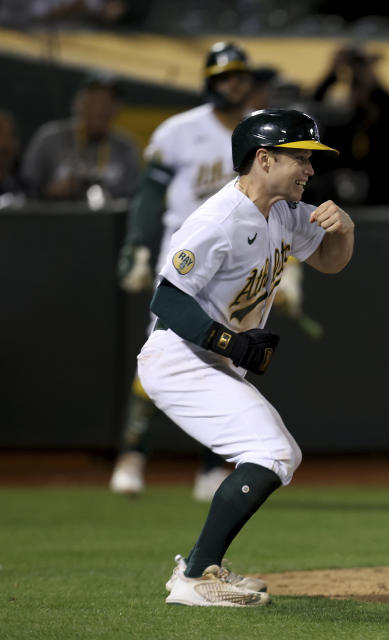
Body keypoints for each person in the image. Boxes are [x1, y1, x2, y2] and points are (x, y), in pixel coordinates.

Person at [144, 108, 353, 607]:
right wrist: (230, 342)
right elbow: (166, 301)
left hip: (208, 359)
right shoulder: (218, 218)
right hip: (178, 358)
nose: (309, 168)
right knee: (273, 452)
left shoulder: (281, 210)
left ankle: (199, 569)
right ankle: (196, 577)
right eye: (300, 157)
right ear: (263, 159)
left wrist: (344, 230)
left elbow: (328, 262)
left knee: (282, 454)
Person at [110, 42, 255, 500]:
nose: (230, 84)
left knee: (228, 360)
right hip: (186, 259)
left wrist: (285, 266)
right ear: (209, 81)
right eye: (222, 76)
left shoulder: (261, 132)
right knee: (162, 351)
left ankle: (212, 466)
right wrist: (136, 244)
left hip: (240, 264)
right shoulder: (179, 130)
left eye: (237, 75)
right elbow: (149, 196)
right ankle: (133, 454)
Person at [310, 44, 389, 205]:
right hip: (341, 204)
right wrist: (331, 74)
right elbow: (311, 110)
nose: (357, 94)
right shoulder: (340, 129)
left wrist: (370, 75)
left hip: (383, 200)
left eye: (361, 88)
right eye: (354, 88)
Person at [20, 73, 139, 202]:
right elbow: (24, 189)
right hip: (55, 218)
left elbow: (132, 198)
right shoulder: (51, 138)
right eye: (95, 100)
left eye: (110, 101)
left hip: (105, 220)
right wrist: (49, 192)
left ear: (117, 109)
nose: (102, 108)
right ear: (79, 102)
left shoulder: (126, 148)